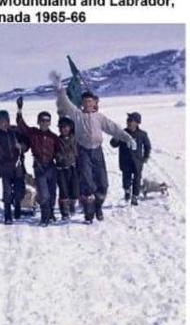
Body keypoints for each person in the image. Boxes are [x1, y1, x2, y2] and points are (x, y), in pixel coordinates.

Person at [50, 71, 136, 223]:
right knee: (87, 184)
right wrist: (59, 88)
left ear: (94, 103)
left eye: (90, 101)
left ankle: (98, 206)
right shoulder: (77, 115)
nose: (88, 104)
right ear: (82, 104)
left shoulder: (99, 117)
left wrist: (127, 137)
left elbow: (113, 128)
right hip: (83, 152)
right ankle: (89, 213)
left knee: (103, 183)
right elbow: (65, 102)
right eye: (85, 102)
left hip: (97, 151)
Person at [16, 96, 59, 227]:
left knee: (52, 192)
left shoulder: (54, 137)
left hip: (51, 167)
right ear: (38, 122)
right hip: (39, 166)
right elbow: (21, 124)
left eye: (47, 121)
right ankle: (44, 217)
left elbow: (59, 152)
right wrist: (19, 109)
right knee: (44, 193)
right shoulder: (33, 133)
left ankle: (51, 212)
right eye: (42, 121)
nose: (44, 123)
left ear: (50, 123)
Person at [110, 112, 151, 205]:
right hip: (125, 161)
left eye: (131, 120)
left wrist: (145, 157)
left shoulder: (142, 134)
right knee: (126, 178)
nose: (128, 122)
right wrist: (116, 137)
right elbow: (113, 144)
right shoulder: (122, 133)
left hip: (137, 161)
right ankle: (127, 190)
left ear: (137, 122)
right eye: (128, 120)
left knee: (137, 179)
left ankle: (135, 196)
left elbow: (147, 146)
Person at [55, 116, 80, 220]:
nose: (63, 129)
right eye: (61, 127)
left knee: (75, 191)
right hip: (61, 169)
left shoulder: (74, 138)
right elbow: (54, 152)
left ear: (70, 128)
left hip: (73, 168)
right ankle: (64, 212)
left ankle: (72, 205)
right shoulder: (57, 140)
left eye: (66, 127)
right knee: (63, 190)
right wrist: (59, 156)